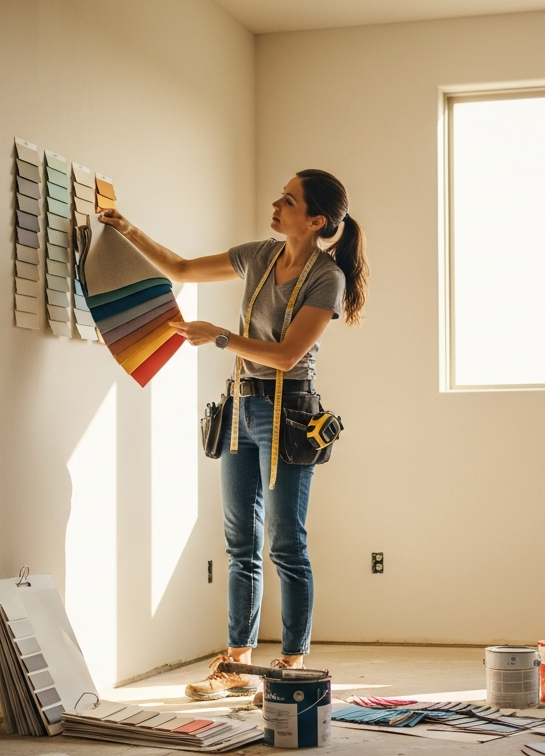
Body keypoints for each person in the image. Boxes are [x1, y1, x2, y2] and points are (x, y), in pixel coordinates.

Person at [96, 169, 367, 702]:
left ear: (315, 221)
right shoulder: (259, 255)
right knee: (240, 542)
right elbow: (180, 268)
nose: (275, 203)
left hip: (289, 413)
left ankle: (290, 664)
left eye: (288, 200)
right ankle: (236, 664)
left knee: (286, 542)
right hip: (241, 406)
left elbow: (288, 355)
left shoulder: (325, 278)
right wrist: (125, 226)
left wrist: (220, 337)